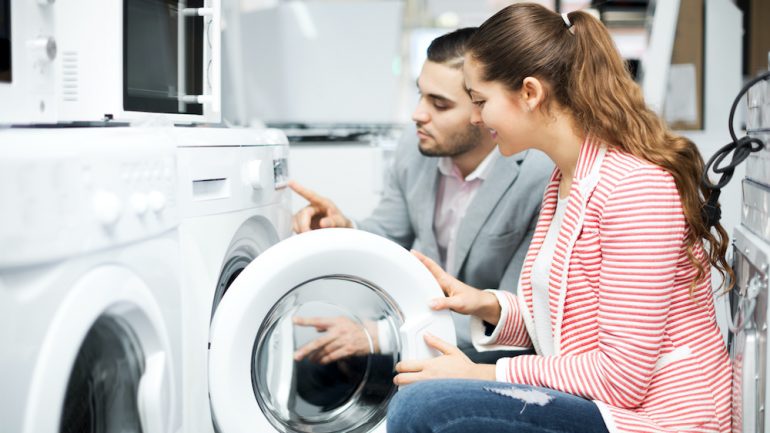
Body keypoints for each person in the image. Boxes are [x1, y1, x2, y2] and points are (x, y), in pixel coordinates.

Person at [386, 4, 733, 433]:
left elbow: (620, 378)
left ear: (530, 93)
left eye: (480, 101)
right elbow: (566, 328)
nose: (476, 117)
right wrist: (488, 305)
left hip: (658, 419)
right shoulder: (566, 179)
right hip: (598, 402)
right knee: (416, 399)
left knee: (423, 408)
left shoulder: (636, 188)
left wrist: (482, 374)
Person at [290, 27, 553, 361]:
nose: (418, 115)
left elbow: (515, 311)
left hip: (488, 346)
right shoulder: (415, 147)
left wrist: (382, 336)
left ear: (484, 110)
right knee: (314, 368)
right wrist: (342, 227)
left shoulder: (539, 176)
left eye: (439, 104)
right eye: (421, 95)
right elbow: (390, 234)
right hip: (415, 320)